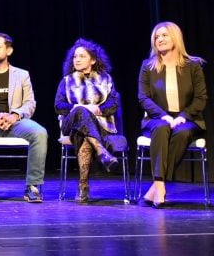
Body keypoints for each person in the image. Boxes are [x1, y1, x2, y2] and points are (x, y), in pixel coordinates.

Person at [0, 32, 48, 203]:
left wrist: (15, 115)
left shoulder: (22, 74)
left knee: (40, 133)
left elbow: (30, 103)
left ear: (9, 50)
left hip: (16, 122)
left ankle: (32, 187)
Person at [138, 21, 207, 208]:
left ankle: (155, 186)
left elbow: (201, 98)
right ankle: (160, 185)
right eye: (156, 37)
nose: (159, 39)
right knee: (161, 128)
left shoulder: (193, 66)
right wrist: (163, 115)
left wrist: (184, 115)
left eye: (164, 35)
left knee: (183, 132)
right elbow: (143, 98)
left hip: (187, 118)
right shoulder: (148, 66)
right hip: (156, 118)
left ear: (175, 38)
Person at [54, 38, 121, 203]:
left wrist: (97, 110)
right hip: (70, 125)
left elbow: (113, 104)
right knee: (80, 111)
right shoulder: (67, 81)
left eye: (82, 56)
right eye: (75, 56)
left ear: (93, 60)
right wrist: (81, 108)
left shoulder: (105, 79)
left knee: (84, 135)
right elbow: (59, 106)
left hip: (99, 125)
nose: (76, 59)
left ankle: (83, 186)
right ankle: (101, 152)